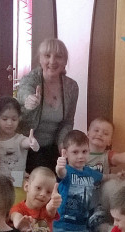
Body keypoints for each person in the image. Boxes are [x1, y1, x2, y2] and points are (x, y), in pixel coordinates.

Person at [17, 38, 79, 172]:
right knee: (34, 176)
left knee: (64, 173)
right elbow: (23, 92)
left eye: (58, 56)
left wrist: (62, 145)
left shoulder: (72, 86)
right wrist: (30, 100)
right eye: (47, 56)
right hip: (26, 146)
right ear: (40, 59)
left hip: (53, 147)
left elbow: (68, 122)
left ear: (65, 61)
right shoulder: (30, 79)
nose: (52, 61)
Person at [86, 117, 125, 232]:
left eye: (105, 133)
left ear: (109, 141)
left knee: (99, 224)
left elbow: (121, 157)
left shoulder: (106, 156)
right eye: (96, 130)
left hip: (97, 203)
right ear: (88, 133)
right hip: (79, 202)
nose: (100, 134)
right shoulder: (80, 154)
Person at [53, 130, 103, 232]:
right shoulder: (66, 171)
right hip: (63, 229)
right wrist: (59, 166)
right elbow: (60, 173)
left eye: (84, 151)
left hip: (82, 229)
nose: (80, 156)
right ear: (65, 153)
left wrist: (118, 176)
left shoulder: (89, 172)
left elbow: (104, 177)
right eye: (75, 152)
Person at [0, 96, 39, 205]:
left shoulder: (19, 139)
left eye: (14, 119)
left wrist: (33, 143)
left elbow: (27, 143)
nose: (9, 123)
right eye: (5, 119)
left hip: (16, 188)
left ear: (19, 118)